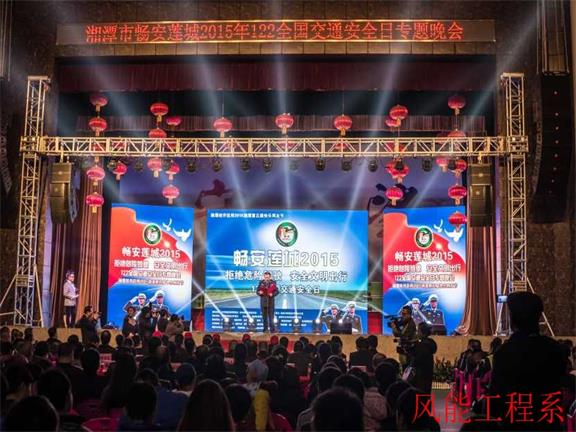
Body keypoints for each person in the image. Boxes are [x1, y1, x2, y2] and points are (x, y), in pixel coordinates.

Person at [489, 291, 566, 431]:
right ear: (538, 317)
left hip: (515, 424)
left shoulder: (504, 353)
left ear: (512, 319)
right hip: (549, 423)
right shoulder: (555, 349)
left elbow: (496, 400)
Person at [409, 323, 437, 395]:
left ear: (422, 332)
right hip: (427, 375)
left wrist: (411, 351)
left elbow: (416, 360)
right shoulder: (429, 344)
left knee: (420, 395)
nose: (417, 333)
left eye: (418, 331)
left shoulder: (422, 346)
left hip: (421, 377)